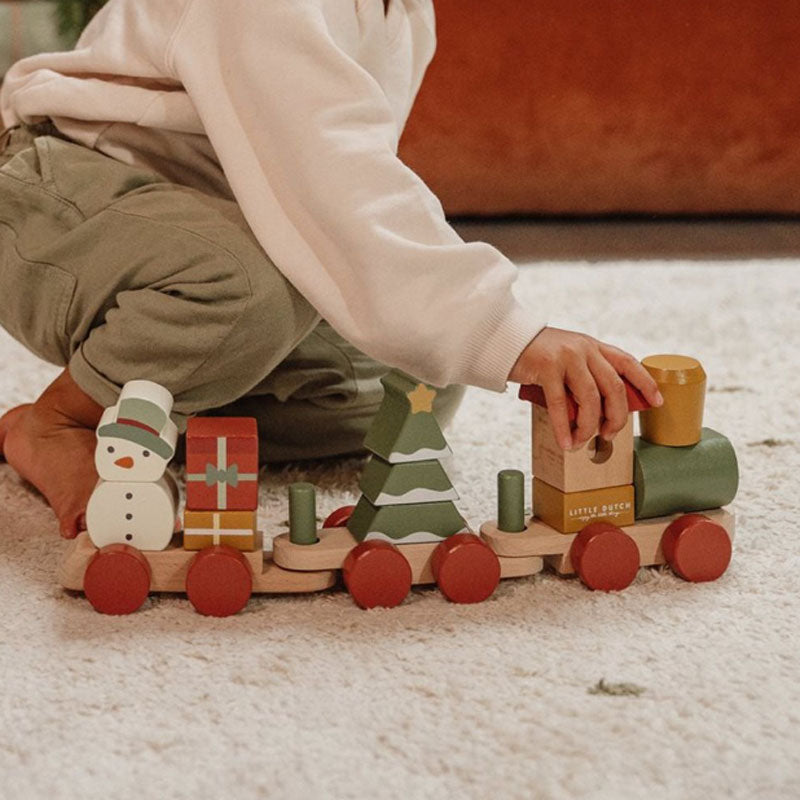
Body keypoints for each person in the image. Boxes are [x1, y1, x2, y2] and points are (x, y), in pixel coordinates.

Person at [0, 0, 662, 539]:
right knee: (250, 289)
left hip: (199, 230)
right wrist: (505, 331)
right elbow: (332, 186)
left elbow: (346, 196)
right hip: (54, 193)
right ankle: (60, 421)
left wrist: (455, 338)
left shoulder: (400, 12)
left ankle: (156, 421)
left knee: (411, 388)